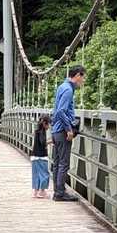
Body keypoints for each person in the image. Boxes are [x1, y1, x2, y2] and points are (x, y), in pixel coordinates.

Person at [50, 65, 85, 201]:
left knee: (57, 163)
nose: (83, 81)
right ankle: (60, 193)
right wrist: (69, 129)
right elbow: (61, 111)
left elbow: (57, 110)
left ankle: (58, 191)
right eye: (82, 78)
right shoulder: (68, 90)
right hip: (62, 132)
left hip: (56, 130)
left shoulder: (62, 86)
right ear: (77, 75)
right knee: (63, 164)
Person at [30, 115, 51, 198]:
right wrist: (52, 141)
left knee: (36, 174)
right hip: (41, 156)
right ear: (45, 123)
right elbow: (43, 143)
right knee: (44, 174)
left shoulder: (37, 131)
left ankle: (35, 192)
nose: (49, 127)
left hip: (35, 156)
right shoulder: (42, 132)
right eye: (48, 124)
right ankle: (42, 191)